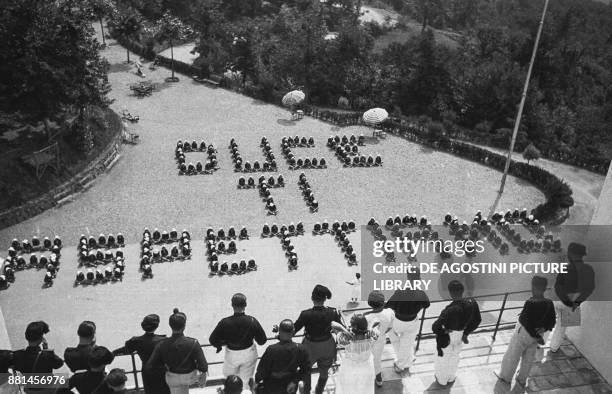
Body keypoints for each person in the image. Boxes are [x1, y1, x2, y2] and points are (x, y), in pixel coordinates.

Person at [496, 276, 556, 388]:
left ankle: (506, 377)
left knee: (513, 355)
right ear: (544, 288)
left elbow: (525, 320)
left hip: (524, 333)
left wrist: (536, 336)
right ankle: (522, 380)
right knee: (528, 359)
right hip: (538, 334)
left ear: (533, 287)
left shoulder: (530, 302)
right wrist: (543, 329)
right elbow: (552, 320)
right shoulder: (549, 303)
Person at [294, 285, 345, 394]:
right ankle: (319, 391)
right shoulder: (333, 312)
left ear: (312, 298)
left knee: (306, 370)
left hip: (309, 346)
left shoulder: (305, 314)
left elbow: (293, 330)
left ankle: (306, 391)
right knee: (324, 371)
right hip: (327, 344)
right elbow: (341, 328)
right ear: (325, 299)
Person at [209, 294, 267, 390]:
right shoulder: (252, 321)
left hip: (232, 354)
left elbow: (212, 340)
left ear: (232, 305)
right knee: (245, 381)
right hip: (249, 353)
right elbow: (262, 341)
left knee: (230, 380)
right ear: (245, 305)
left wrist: (221, 345)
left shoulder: (225, 322)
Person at [145, 309, 208, 394]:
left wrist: (165, 368)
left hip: (172, 377)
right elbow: (203, 365)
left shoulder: (161, 344)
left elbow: (150, 366)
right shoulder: (193, 342)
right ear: (184, 326)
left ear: (170, 325)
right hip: (189, 377)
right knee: (184, 386)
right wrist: (203, 376)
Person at [432, 281, 481, 386]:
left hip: (448, 336)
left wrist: (443, 331)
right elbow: (477, 320)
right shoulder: (472, 302)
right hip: (461, 334)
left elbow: (435, 327)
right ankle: (451, 377)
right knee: (455, 356)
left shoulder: (449, 310)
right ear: (462, 290)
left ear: (450, 293)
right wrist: (466, 333)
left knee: (443, 357)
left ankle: (442, 380)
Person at [550, 242, 594, 352]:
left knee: (547, 320)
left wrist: (563, 298)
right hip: (572, 305)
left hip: (559, 301)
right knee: (561, 327)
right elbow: (589, 289)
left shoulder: (566, 267)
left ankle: (539, 344)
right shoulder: (588, 269)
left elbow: (557, 285)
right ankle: (554, 348)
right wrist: (576, 302)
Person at [384, 270, 430, 374]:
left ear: (408, 277)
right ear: (419, 278)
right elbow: (427, 305)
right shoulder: (421, 293)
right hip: (413, 320)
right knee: (407, 342)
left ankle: (400, 365)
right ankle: (409, 358)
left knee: (395, 338)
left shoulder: (400, 292)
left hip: (398, 321)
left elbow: (388, 306)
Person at [113, 314, 169, 394]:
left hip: (147, 372)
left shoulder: (136, 341)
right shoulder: (164, 340)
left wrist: (114, 352)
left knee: (150, 391)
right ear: (157, 326)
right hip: (162, 372)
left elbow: (125, 350)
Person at [254, 320, 310, 394]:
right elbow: (306, 369)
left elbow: (262, 370)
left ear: (279, 332)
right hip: (290, 385)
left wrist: (257, 381)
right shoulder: (301, 349)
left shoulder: (271, 349)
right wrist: (295, 381)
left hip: (271, 385)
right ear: (293, 332)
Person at [335, 314, 377, 394]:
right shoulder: (371, 337)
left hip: (349, 370)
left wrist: (345, 330)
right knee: (365, 390)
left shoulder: (346, 339)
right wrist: (371, 328)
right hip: (366, 369)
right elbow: (377, 320)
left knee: (349, 390)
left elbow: (333, 324)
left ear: (353, 327)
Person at [364, 291, 394, 387]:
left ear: (370, 303)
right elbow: (390, 327)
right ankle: (378, 377)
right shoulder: (390, 312)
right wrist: (382, 333)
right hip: (381, 339)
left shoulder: (366, 316)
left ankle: (368, 377)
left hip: (367, 340)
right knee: (377, 359)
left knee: (365, 359)